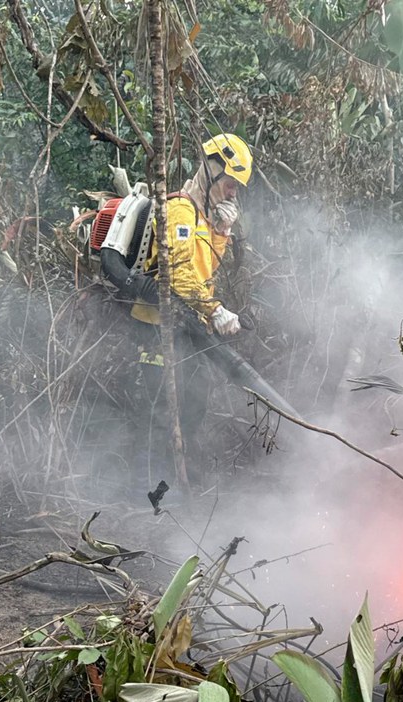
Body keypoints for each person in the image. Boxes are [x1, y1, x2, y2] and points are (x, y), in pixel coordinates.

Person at [98, 133, 254, 484]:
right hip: (157, 325)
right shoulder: (180, 209)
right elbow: (178, 276)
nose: (233, 192)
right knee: (161, 407)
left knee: (194, 403)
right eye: (230, 183)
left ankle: (174, 479)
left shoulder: (203, 216)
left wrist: (221, 232)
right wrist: (215, 310)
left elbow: (204, 269)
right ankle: (146, 487)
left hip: (188, 324)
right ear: (212, 169)